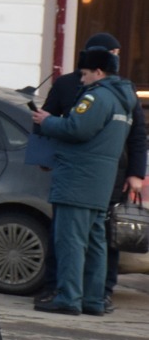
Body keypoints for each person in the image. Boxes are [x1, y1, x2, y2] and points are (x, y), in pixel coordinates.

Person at [37, 32, 147, 312]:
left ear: (98, 71)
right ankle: (94, 299)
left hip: (77, 180)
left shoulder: (97, 97)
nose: (82, 79)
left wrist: (47, 121)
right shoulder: (124, 98)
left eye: (85, 74)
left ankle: (69, 298)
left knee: (70, 242)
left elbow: (77, 129)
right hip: (101, 182)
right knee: (97, 243)